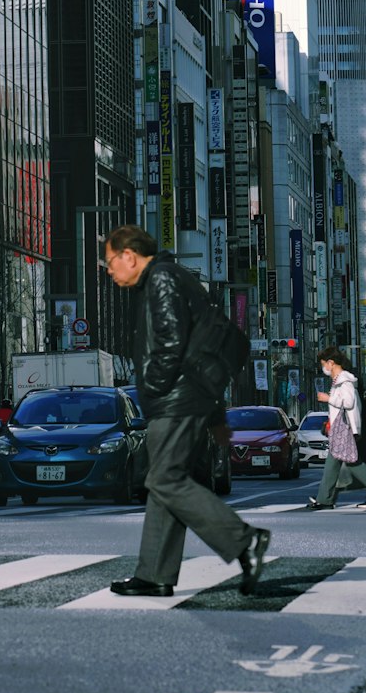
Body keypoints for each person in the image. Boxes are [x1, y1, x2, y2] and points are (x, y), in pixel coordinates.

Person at [102, 225, 270, 598]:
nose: (110, 271)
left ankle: (244, 540)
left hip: (176, 400)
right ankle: (155, 574)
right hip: (186, 398)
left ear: (129, 256)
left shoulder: (161, 279)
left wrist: (152, 387)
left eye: (110, 262)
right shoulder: (169, 277)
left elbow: (172, 344)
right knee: (165, 483)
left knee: (164, 480)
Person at [306, 349, 366, 511]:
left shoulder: (344, 381)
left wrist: (328, 398)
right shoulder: (342, 380)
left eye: (323, 364)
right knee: (336, 464)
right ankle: (325, 498)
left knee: (350, 462)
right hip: (342, 427)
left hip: (344, 428)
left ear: (331, 363)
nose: (323, 368)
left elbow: (348, 402)